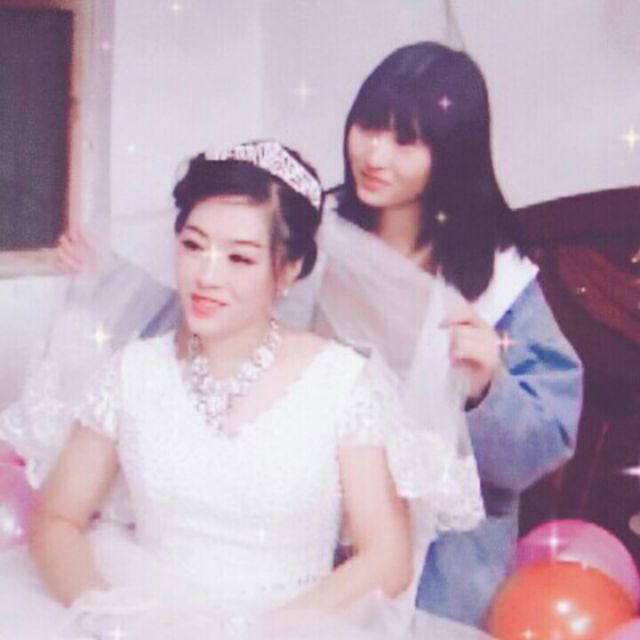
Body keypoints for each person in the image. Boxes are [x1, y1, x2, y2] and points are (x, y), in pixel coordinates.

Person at [0, 141, 490, 639]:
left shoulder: (342, 384)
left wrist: (264, 631)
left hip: (295, 625)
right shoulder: (131, 372)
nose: (207, 276)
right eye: (194, 246)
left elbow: (387, 557)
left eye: (239, 258)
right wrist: (114, 617)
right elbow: (56, 518)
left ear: (289, 269)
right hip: (145, 615)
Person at [333, 42, 583, 626]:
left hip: (441, 580)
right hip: (316, 545)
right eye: (367, 126)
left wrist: (486, 390)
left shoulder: (499, 281)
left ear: (452, 152)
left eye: (405, 140)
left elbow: (546, 441)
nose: (374, 154)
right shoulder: (316, 240)